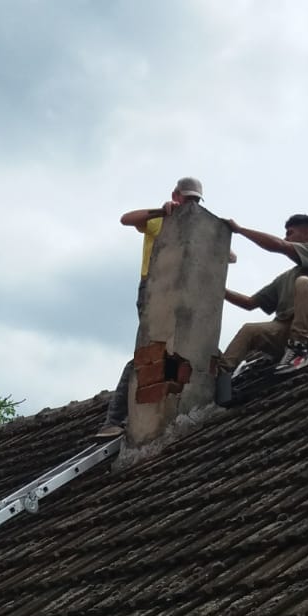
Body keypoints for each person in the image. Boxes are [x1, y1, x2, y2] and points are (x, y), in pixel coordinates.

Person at [97, 176, 205, 437]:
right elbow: (127, 218)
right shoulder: (160, 220)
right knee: (147, 352)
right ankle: (114, 420)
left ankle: (168, 406)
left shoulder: (194, 227)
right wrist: (161, 210)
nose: (190, 205)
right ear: (176, 196)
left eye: (195, 201)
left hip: (180, 295)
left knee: (178, 352)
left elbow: (230, 256)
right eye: (187, 199)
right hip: (154, 289)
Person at [220, 213, 308, 375]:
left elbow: (280, 245)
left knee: (304, 282)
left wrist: (240, 230)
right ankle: (220, 373)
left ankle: (298, 350)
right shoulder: (285, 278)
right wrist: (218, 289)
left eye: (290, 233)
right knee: (249, 330)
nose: (286, 238)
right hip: (285, 333)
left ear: (306, 233)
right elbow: (249, 303)